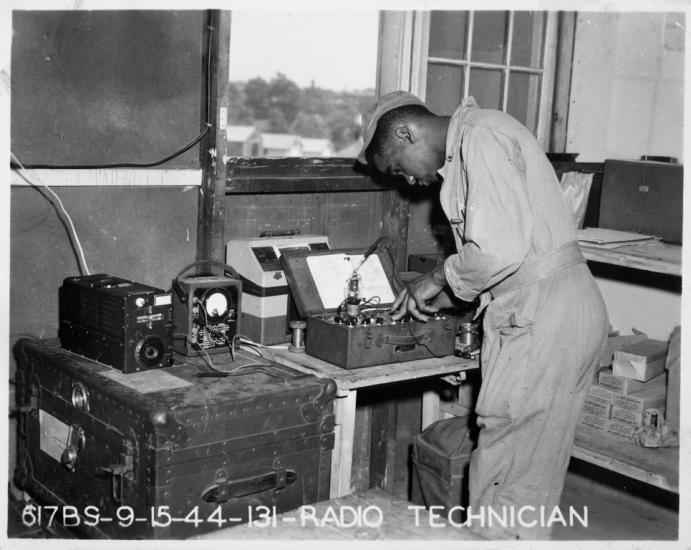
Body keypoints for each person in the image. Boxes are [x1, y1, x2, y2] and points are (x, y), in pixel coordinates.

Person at [358, 91, 608, 539]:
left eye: (397, 167)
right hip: (557, 306)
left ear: (405, 132)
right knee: (530, 474)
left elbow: (496, 250)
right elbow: (516, 250)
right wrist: (457, 292)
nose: (409, 182)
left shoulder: (480, 138)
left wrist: (437, 279)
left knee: (505, 473)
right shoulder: (484, 133)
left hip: (541, 316)